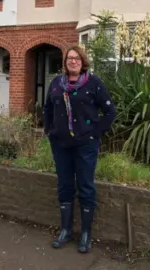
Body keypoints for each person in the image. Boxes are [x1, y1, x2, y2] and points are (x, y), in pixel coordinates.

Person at [42, 45, 116, 254]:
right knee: (65, 185)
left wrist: (95, 133)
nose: (72, 61)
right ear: (65, 63)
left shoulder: (94, 83)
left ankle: (85, 233)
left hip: (86, 145)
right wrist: (49, 130)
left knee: (85, 185)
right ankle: (65, 230)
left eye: (76, 58)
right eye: (69, 58)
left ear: (83, 62)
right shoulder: (57, 84)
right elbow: (47, 108)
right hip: (61, 145)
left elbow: (110, 112)